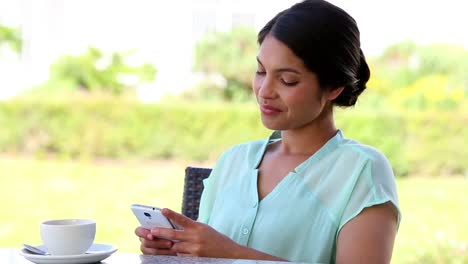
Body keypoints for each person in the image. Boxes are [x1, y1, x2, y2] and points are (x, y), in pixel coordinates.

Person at [135, 0, 401, 263]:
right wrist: (179, 253)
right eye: (261, 71)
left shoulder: (361, 171)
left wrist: (233, 254)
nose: (264, 91)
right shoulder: (233, 161)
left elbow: (223, 252)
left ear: (333, 87)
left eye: (287, 80)